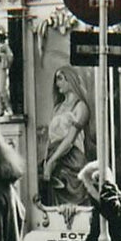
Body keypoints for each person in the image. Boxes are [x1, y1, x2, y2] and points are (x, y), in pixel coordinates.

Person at [43, 66, 94, 205]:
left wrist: (52, 161)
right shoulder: (58, 107)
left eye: (60, 78)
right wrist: (47, 161)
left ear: (70, 79)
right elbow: (50, 138)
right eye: (56, 79)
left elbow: (70, 140)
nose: (57, 83)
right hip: (55, 159)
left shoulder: (81, 107)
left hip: (72, 159)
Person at [79, 161, 121, 241]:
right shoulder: (113, 199)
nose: (87, 190)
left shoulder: (112, 199)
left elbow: (110, 209)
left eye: (88, 185)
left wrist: (95, 191)